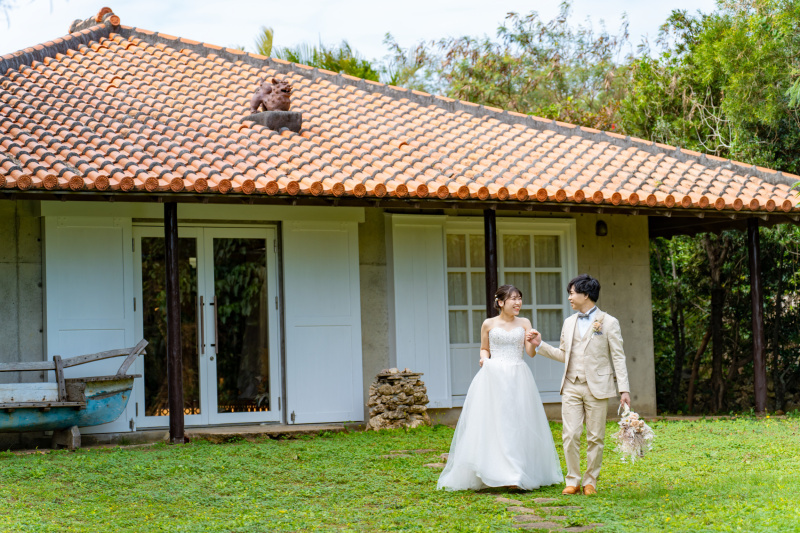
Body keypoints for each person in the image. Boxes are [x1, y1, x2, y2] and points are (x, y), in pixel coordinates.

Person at [437, 284, 564, 491]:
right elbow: (484, 349)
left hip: (518, 376)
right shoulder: (488, 324)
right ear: (500, 302)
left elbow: (530, 353)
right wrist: (484, 360)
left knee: (517, 421)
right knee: (495, 422)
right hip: (493, 376)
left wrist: (533, 340)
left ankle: (517, 473)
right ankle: (495, 470)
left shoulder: (524, 322)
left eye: (520, 298)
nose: (518, 302)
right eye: (513, 298)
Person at [527, 274, 631, 496]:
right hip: (572, 385)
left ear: (586, 294)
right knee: (571, 433)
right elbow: (564, 355)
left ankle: (590, 481)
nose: (569, 298)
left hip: (598, 386)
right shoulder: (569, 322)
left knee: (595, 436)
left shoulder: (609, 322)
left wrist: (624, 389)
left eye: (572, 293)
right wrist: (540, 345)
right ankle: (572, 479)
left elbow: (619, 357)